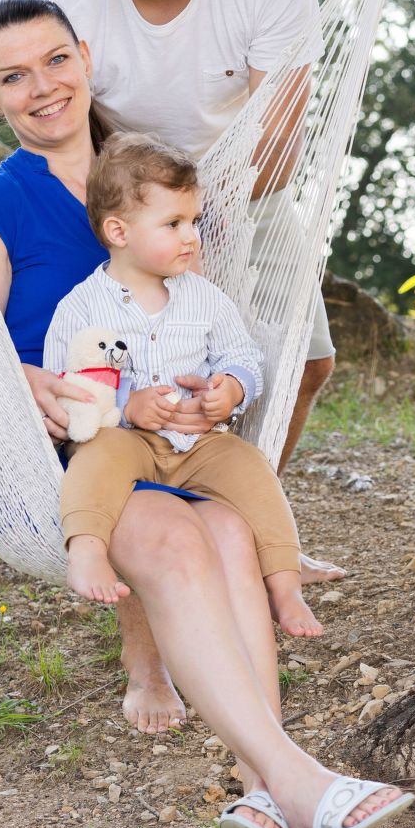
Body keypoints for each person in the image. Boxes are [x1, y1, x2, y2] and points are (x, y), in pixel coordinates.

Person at [0, 0, 409, 828]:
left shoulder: (151, 174)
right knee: (172, 542)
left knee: (233, 533)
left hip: (184, 436)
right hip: (78, 442)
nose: (42, 87)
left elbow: (213, 303)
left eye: (56, 61)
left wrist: (217, 390)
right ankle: (297, 784)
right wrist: (45, 386)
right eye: (13, 77)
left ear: (86, 56)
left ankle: (260, 803)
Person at [39, 0, 342, 527]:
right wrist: (132, 230)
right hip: (127, 191)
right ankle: (153, 521)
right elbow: (65, 132)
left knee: (304, 363)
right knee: (145, 364)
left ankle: (241, 518)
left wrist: (205, 223)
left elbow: (280, 141)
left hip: (247, 182)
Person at [44, 131, 320, 639]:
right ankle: (85, 550)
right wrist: (127, 407)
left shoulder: (206, 299)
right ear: (118, 231)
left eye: (193, 220)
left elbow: (243, 356)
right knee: (94, 459)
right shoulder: (80, 307)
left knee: (252, 470)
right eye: (173, 223)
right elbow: (68, 386)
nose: (191, 235)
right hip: (123, 440)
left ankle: (285, 585)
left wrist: (231, 389)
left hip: (197, 442)